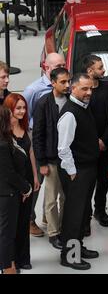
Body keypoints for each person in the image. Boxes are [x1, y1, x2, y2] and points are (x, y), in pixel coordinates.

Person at [57, 73, 100, 270]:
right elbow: (63, 148)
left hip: (87, 169)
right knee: (74, 216)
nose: (89, 92)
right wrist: (73, 173)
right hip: (77, 172)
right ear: (73, 88)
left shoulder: (83, 107)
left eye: (90, 88)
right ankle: (69, 256)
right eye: (84, 88)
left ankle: (79, 247)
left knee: (83, 213)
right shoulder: (70, 113)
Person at [23, 52, 66, 238]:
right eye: (57, 66)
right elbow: (25, 116)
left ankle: (49, 219)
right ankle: (29, 219)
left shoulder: (67, 88)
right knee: (37, 183)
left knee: (54, 189)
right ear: (45, 67)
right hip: (37, 137)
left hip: (58, 143)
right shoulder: (34, 90)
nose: (61, 68)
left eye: (63, 64)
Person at [32, 67, 70, 249]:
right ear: (53, 83)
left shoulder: (71, 100)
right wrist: (42, 163)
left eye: (68, 81)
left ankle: (61, 227)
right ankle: (54, 234)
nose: (67, 85)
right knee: (50, 199)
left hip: (68, 159)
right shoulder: (43, 103)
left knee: (65, 197)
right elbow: (38, 135)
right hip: (51, 160)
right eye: (62, 82)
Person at [4, 94, 40, 272]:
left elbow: (31, 152)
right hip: (12, 184)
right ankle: (9, 261)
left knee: (24, 220)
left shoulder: (25, 127)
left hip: (26, 179)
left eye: (24, 108)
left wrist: (34, 176)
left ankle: (23, 258)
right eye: (18, 108)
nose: (22, 111)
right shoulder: (4, 132)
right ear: (9, 109)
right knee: (11, 224)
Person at [81, 55, 108, 230]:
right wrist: (93, 141)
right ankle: (84, 216)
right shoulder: (83, 90)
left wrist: (104, 140)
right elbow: (81, 119)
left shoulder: (107, 89)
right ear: (90, 71)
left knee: (103, 180)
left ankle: (100, 210)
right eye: (100, 67)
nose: (104, 70)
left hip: (104, 143)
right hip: (87, 147)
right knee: (87, 182)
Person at [0, 106, 32, 274]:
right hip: (8, 193)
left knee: (8, 231)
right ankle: (7, 268)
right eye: (11, 115)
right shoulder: (3, 144)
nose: (15, 117)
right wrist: (26, 187)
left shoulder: (7, 139)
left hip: (10, 191)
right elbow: (9, 173)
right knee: (7, 233)